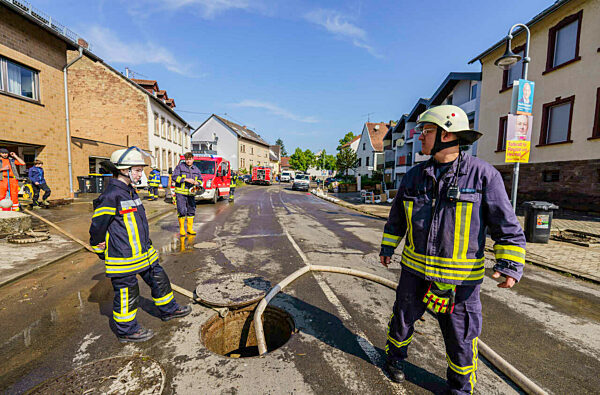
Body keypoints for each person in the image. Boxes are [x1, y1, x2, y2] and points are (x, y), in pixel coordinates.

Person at [379, 105, 526, 394]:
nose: (420, 136)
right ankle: (394, 359)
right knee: (402, 321)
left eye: (427, 131)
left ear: (447, 135)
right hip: (415, 274)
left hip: (460, 284)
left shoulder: (484, 176)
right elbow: (397, 217)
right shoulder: (414, 176)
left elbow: (506, 225)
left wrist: (509, 264)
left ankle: (460, 389)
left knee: (461, 339)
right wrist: (387, 247)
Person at [89, 147, 191, 343]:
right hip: (123, 257)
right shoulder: (111, 195)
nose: (140, 174)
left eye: (140, 169)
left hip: (144, 253)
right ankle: (126, 330)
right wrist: (99, 247)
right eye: (136, 170)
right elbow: (97, 227)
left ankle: (169, 310)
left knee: (159, 278)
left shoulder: (130, 191)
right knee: (128, 293)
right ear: (123, 170)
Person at [172, 152, 202, 236]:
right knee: (182, 210)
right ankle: (182, 229)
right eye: (187, 159)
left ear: (193, 159)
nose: (188, 161)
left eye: (190, 159)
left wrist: (197, 183)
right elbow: (174, 177)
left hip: (191, 194)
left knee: (191, 210)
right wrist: (185, 179)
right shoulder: (179, 167)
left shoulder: (196, 169)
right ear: (185, 160)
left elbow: (200, 180)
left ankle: (189, 229)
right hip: (181, 193)